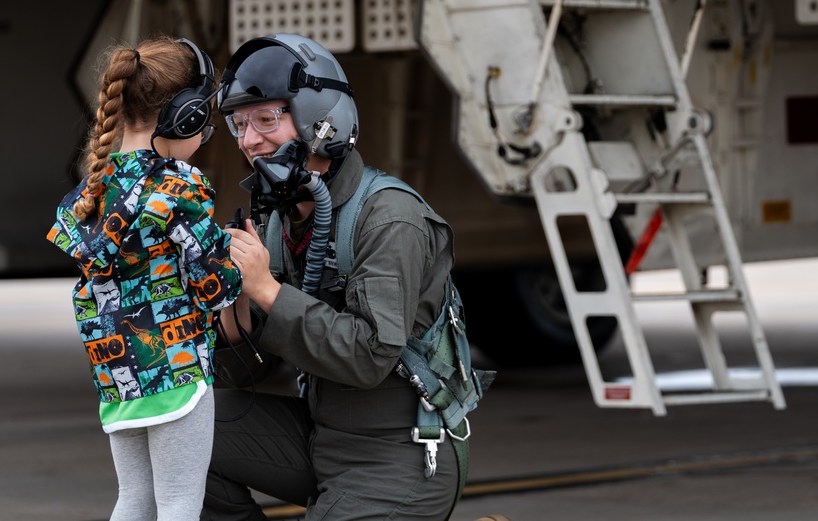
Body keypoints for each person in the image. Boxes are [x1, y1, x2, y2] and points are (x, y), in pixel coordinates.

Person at [204, 33, 492, 521]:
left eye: (267, 119)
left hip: (399, 457)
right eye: (238, 124)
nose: (249, 140)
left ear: (323, 120)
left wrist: (267, 291)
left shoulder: (389, 218)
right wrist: (231, 308)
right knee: (185, 439)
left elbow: (369, 357)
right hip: (322, 439)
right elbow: (243, 377)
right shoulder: (279, 222)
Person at [46, 36, 243, 521]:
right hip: (177, 371)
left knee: (133, 500)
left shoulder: (89, 193)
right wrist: (239, 254)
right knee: (179, 505)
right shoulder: (179, 186)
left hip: (119, 380)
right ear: (187, 116)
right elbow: (215, 289)